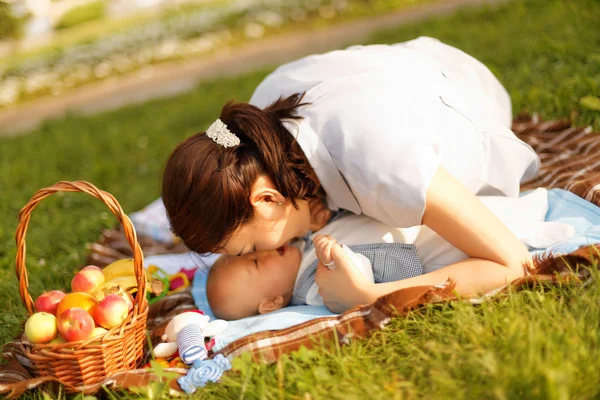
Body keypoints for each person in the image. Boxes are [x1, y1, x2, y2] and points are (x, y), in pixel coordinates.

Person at [161, 37, 541, 313]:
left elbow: (511, 263)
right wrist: (312, 202)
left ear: (266, 199)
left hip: (471, 89)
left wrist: (371, 296)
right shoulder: (257, 125)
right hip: (410, 61)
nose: (262, 255)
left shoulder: (383, 164)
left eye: (252, 251)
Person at [207, 232, 422, 320]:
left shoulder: (296, 249)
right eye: (255, 262)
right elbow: (359, 281)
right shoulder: (313, 287)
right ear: (272, 303)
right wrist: (331, 259)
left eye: (252, 250)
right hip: (417, 256)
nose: (263, 251)